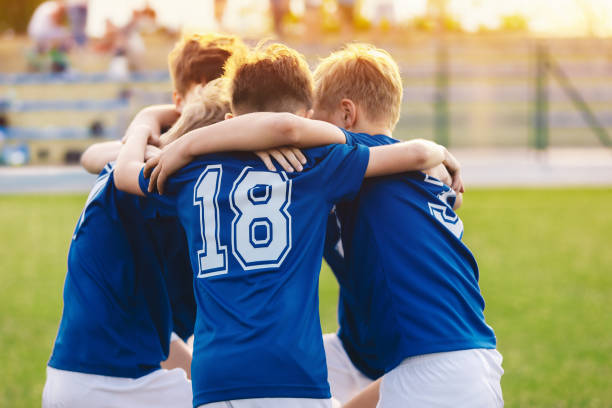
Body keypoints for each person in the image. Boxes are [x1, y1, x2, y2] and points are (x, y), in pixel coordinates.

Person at [114, 42, 459, 408]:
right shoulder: (317, 165)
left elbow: (124, 174)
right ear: (306, 117)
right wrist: (439, 154)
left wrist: (149, 127)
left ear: (232, 120)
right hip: (290, 374)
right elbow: (412, 154)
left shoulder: (190, 173)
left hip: (215, 377)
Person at [43, 34, 244, 408]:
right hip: (114, 381)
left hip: (81, 373)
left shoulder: (141, 163)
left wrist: (146, 122)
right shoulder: (165, 178)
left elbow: (96, 157)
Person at [312, 43, 503, 407]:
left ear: (346, 114)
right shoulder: (418, 174)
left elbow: (284, 131)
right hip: (467, 361)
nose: (307, 126)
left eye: (314, 118)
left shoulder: (355, 156)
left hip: (434, 372)